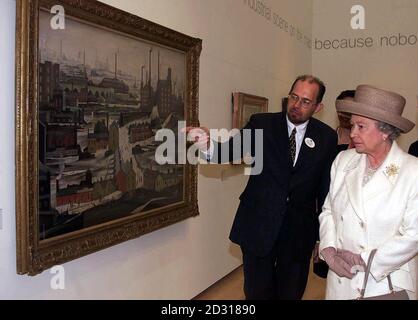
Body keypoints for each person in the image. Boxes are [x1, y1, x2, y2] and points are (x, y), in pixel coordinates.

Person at [186, 75, 338, 299]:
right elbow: (229, 151)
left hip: (298, 232)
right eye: (294, 97)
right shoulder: (262, 124)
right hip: (258, 226)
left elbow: (325, 190)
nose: (296, 104)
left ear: (318, 107)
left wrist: (322, 236)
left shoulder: (326, 137)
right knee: (257, 293)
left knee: (291, 293)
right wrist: (206, 144)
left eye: (305, 101)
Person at [319, 84, 418, 300]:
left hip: (384, 283)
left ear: (385, 131)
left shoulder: (412, 171)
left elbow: (413, 235)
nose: (352, 133)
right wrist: (328, 249)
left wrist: (364, 259)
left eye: (361, 126)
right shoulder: (343, 160)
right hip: (341, 279)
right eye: (352, 125)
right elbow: (328, 211)